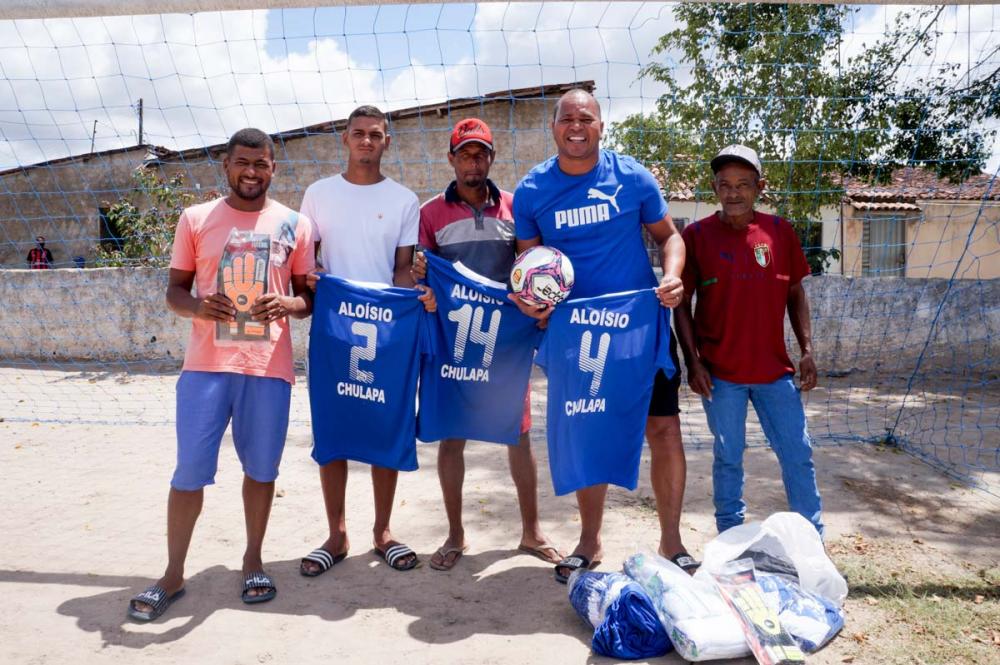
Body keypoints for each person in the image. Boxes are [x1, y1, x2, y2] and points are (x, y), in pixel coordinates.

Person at [127, 128, 315, 621]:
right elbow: (175, 291)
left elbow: (308, 296)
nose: (251, 172)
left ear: (274, 168)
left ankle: (253, 560)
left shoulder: (296, 224)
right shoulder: (195, 219)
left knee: (262, 470)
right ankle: (173, 573)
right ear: (226, 166)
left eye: (261, 164)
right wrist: (198, 309)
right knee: (189, 472)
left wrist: (289, 303)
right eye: (241, 163)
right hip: (205, 368)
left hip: (267, 368)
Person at [511, 89, 696, 582]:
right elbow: (529, 266)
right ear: (553, 128)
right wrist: (533, 303)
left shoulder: (632, 176)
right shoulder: (531, 191)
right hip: (579, 336)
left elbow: (670, 237)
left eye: (586, 118)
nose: (576, 126)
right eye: (567, 118)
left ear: (601, 126)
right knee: (588, 433)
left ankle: (672, 542)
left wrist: (672, 275)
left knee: (664, 429)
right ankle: (589, 541)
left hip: (637, 327)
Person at [415, 117, 563, 571]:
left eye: (480, 153)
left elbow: (530, 268)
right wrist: (424, 285)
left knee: (518, 436)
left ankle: (531, 532)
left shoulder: (516, 209)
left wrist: (537, 307)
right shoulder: (430, 213)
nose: (473, 162)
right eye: (465, 154)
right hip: (455, 341)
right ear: (451, 160)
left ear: (491, 159)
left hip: (504, 343)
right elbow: (422, 271)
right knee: (452, 436)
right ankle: (456, 534)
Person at [299, 105, 435, 576]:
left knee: (385, 423)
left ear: (386, 142)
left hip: (386, 329)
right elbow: (307, 260)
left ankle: (383, 532)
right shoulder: (318, 194)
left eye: (375, 135)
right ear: (345, 139)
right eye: (358, 134)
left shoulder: (403, 200)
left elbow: (401, 267)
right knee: (333, 427)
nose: (366, 142)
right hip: (334, 326)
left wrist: (409, 299)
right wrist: (313, 278)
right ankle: (336, 535)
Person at [673, 144, 824, 536]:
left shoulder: (780, 233)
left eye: (743, 184)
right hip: (721, 375)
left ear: (759, 187)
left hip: (775, 373)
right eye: (725, 185)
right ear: (714, 188)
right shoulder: (697, 235)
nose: (734, 192)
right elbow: (680, 305)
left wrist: (807, 350)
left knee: (797, 454)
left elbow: (795, 294)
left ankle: (812, 538)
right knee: (728, 456)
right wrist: (694, 362)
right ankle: (730, 537)